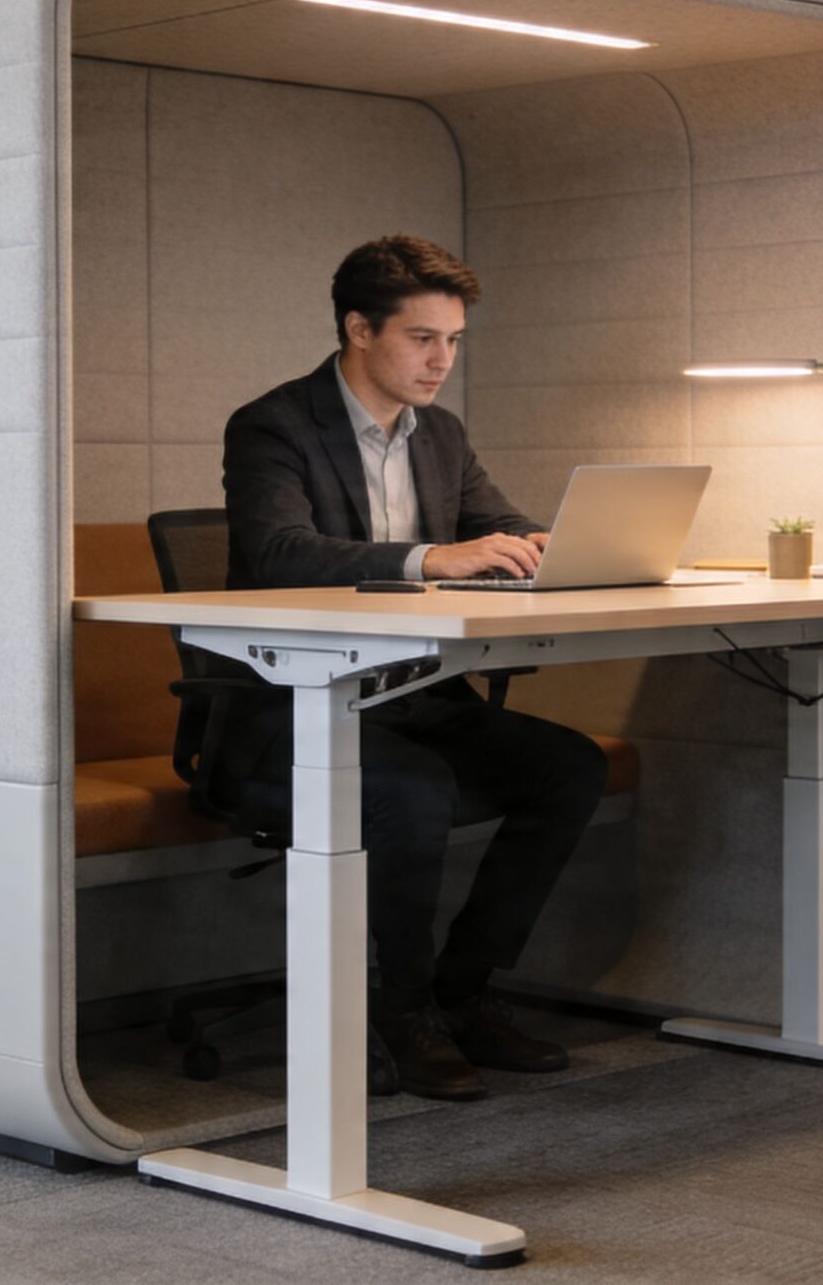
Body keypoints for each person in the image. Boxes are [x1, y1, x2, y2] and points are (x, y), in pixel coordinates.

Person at [211, 234, 607, 1101]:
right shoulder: (273, 425)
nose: (442, 361)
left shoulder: (440, 435)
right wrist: (432, 558)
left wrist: (549, 544)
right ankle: (404, 1012)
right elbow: (279, 552)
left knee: (570, 766)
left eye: (453, 340)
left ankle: (463, 992)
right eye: (423, 338)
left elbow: (495, 523)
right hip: (292, 709)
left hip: (415, 698)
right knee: (413, 790)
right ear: (360, 329)